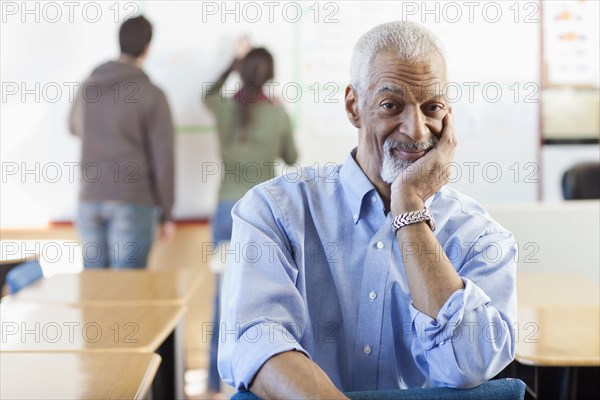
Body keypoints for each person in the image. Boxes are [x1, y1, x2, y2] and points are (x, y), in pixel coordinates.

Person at [218, 21, 517, 399]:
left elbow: (468, 364)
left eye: (432, 107)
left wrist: (408, 206)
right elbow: (255, 340)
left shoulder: (479, 235)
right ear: (353, 107)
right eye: (392, 105)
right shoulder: (275, 211)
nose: (416, 129)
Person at [203, 41, 299, 395]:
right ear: (271, 76)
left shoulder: (225, 107)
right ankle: (255, 380)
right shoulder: (277, 114)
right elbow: (292, 157)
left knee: (220, 299)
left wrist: (232, 60)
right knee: (262, 303)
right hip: (262, 216)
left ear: (241, 74)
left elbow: (207, 93)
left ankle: (214, 381)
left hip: (225, 212)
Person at [69, 16, 175, 269]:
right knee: (127, 294)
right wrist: (167, 213)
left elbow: (73, 126)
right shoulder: (152, 94)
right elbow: (164, 158)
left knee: (96, 291)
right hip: (132, 200)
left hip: (90, 198)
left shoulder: (89, 86)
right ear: (147, 48)